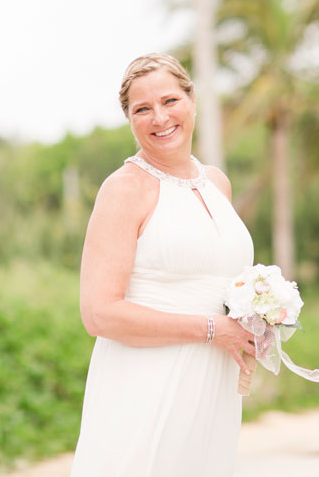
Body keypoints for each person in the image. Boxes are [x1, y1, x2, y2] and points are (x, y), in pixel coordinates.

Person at [69, 53, 257, 477]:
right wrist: (213, 330)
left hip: (212, 382)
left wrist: (256, 322)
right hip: (145, 380)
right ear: (129, 119)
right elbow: (98, 313)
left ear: (191, 101)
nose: (160, 117)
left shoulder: (216, 182)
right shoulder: (124, 190)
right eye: (142, 109)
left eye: (170, 100)